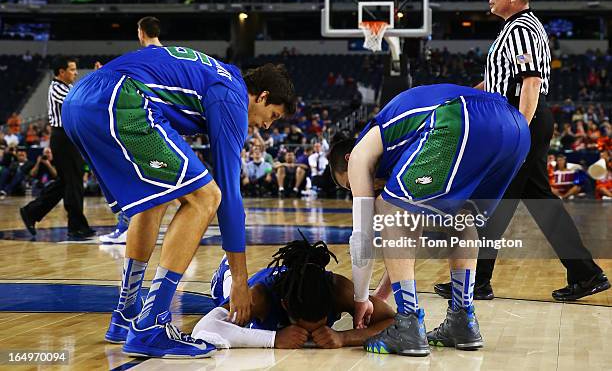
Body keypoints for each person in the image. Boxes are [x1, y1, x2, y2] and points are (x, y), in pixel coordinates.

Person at [61, 44, 295, 358]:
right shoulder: (232, 96)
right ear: (262, 96)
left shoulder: (216, 76)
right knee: (206, 197)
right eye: (273, 116)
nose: (267, 125)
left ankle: (126, 314)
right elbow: (228, 195)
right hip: (120, 98)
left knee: (154, 200)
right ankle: (152, 324)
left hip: (79, 100)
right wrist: (239, 279)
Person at [434, 0, 609, 302]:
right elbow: (501, 81)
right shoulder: (514, 30)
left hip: (521, 119)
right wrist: (464, 98)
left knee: (493, 201)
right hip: (519, 119)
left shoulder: (521, 30)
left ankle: (476, 281)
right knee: (535, 202)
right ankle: (586, 274)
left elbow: (529, 83)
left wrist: (519, 131)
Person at [328, 83, 530, 356]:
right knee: (461, 218)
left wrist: (360, 299)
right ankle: (462, 320)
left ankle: (408, 325)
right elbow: (408, 237)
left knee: (386, 207)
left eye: (353, 185)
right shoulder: (404, 147)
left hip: (461, 118)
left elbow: (362, 238)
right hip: (514, 127)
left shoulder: (361, 152)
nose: (365, 187)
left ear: (349, 159)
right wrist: (380, 296)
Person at [192, 235, 395, 349]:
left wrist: (345, 338)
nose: (308, 336)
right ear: (285, 305)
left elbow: (396, 322)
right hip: (246, 286)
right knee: (232, 297)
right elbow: (203, 329)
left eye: (319, 326)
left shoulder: (340, 290)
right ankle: (225, 272)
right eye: (302, 327)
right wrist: (273, 339)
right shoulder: (260, 298)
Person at [98, 16, 163, 245]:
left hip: (144, 126)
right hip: (169, 127)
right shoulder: (172, 56)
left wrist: (102, 73)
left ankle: (126, 227)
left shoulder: (138, 58)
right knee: (160, 182)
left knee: (129, 176)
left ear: (141, 33)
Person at [19, 57, 94, 238]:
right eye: (72, 69)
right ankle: (76, 226)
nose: (75, 73)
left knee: (66, 182)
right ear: (61, 72)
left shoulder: (67, 87)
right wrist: (96, 78)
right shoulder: (56, 88)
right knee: (73, 181)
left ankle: (32, 212)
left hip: (68, 138)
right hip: (62, 138)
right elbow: (78, 103)